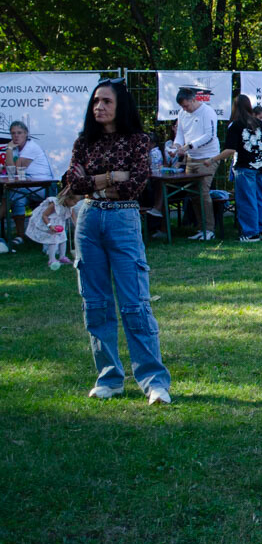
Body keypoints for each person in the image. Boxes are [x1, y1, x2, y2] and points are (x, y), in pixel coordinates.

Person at [67, 77, 171, 404]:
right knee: (95, 303)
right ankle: (109, 378)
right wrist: (112, 177)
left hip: (124, 219)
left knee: (134, 302)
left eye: (106, 102)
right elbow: (72, 182)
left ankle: (154, 381)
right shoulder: (84, 140)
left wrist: (95, 181)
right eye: (96, 101)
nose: (99, 107)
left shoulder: (139, 140)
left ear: (120, 105)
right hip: (88, 219)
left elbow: (136, 185)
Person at [205, 94, 262, 242]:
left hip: (245, 166)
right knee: (260, 198)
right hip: (261, 164)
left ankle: (250, 233)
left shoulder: (235, 125)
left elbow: (230, 150)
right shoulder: (259, 123)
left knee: (246, 199)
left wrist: (212, 160)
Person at [172, 87, 220, 241]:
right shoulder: (182, 113)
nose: (185, 109)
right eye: (182, 107)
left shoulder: (208, 112)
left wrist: (189, 146)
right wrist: (176, 146)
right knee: (193, 194)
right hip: (191, 158)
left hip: (208, 158)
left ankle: (210, 229)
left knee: (203, 192)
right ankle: (201, 228)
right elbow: (180, 133)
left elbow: (210, 136)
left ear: (194, 100)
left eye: (186, 105)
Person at [2, 121, 55, 245]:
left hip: (44, 186)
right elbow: (11, 171)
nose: (16, 136)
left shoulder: (30, 147)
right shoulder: (16, 149)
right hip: (27, 186)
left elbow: (14, 170)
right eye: (13, 133)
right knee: (17, 199)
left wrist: (8, 149)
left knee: (10, 195)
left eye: (19, 133)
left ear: (26, 134)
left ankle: (4, 222)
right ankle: (21, 236)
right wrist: (10, 151)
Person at [26, 186, 79, 270]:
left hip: (60, 225)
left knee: (63, 239)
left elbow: (73, 217)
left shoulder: (70, 206)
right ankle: (52, 259)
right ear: (67, 199)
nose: (75, 204)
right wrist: (50, 226)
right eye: (74, 202)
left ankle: (62, 257)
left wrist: (77, 226)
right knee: (53, 241)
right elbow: (44, 215)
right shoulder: (55, 204)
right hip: (51, 224)